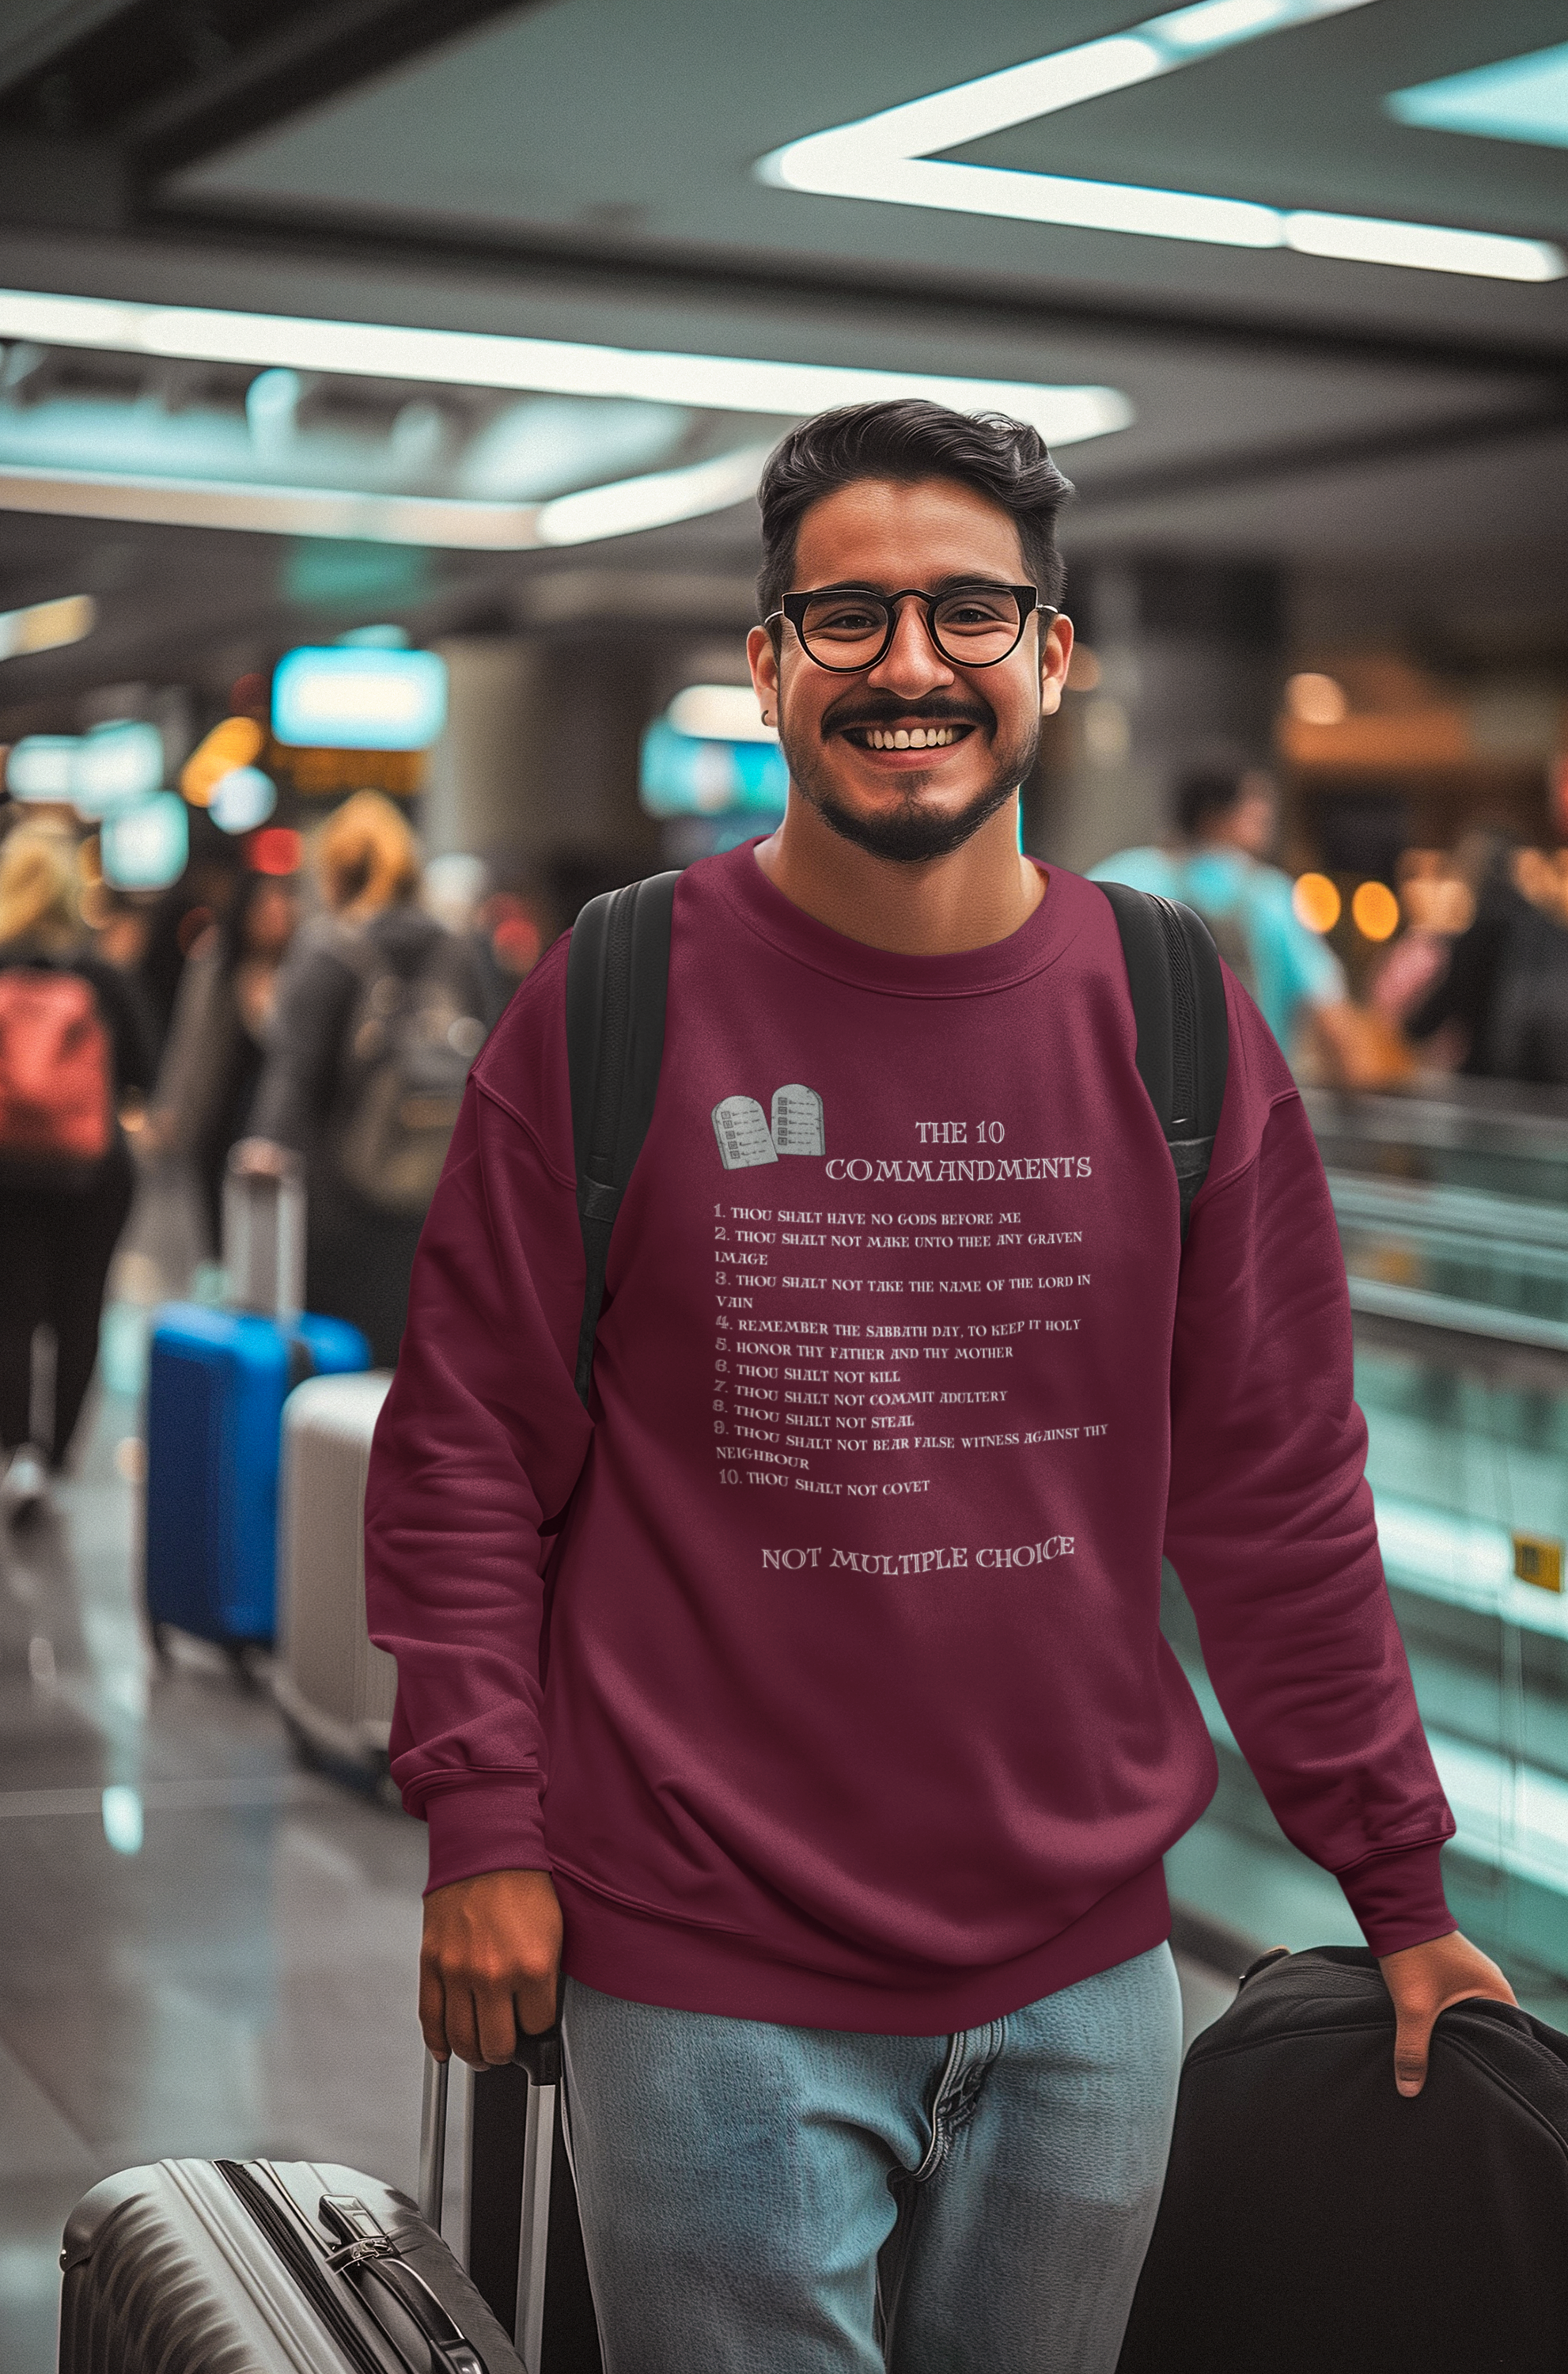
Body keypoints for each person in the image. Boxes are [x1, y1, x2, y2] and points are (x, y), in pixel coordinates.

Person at [365, 401, 1512, 2374]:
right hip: (706, 1969)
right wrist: (482, 1819)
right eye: (850, 616)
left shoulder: (1169, 1015)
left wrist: (1390, 1877)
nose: (910, 664)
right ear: (766, 663)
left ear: (1051, 659)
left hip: (1088, 1986)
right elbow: (469, 1438)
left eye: (969, 613)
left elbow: (1275, 1490)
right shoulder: (617, 991)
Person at [243, 792, 487, 1366]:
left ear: (334, 872)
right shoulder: (459, 952)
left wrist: (262, 1152)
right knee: (412, 1364)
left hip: (340, 1203)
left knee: (336, 1374)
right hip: (437, 1199)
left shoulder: (327, 951)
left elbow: (293, 1081)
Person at [0, 824, 155, 1518]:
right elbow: (145, 1070)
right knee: (82, 1308)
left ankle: (19, 1454)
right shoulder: (99, 975)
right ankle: (56, 1461)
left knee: (9, 1311)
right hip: (92, 1175)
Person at [1089, 760, 1381, 1079]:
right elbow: (1333, 1022)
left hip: (1138, 1097)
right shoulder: (1271, 896)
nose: (1268, 815)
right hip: (1245, 1105)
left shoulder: (1120, 877)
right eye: (1255, 804)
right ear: (1215, 816)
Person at [149, 863, 299, 1255]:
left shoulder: (304, 970)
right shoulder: (217, 961)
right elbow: (190, 1039)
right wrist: (171, 1108)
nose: (275, 917)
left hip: (277, 1121)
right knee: (219, 1227)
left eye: (282, 906)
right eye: (265, 908)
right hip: (220, 1115)